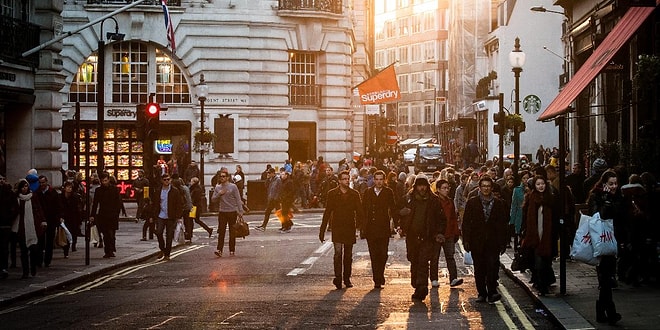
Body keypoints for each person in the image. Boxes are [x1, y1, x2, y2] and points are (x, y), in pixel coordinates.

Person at [398, 174, 446, 301]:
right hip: (412, 236)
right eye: (419, 186)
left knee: (423, 262)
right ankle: (416, 284)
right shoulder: (408, 199)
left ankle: (422, 286)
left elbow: (441, 219)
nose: (422, 188)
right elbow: (400, 213)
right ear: (415, 187)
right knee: (414, 260)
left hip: (427, 236)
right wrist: (401, 219)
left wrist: (439, 233)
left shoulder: (434, 201)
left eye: (424, 185)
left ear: (427, 186)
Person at [462, 175, 509, 303]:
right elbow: (466, 223)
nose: (486, 188)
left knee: (492, 267)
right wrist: (466, 240)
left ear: (491, 188)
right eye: (484, 186)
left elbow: (502, 224)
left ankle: (492, 292)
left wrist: (503, 242)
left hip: (493, 242)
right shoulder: (472, 202)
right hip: (477, 242)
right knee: (479, 268)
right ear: (480, 187)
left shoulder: (499, 204)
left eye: (488, 186)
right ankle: (482, 293)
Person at [587, 169, 622, 325]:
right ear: (604, 184)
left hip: (614, 241)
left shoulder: (619, 196)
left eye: (616, 183)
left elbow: (621, 218)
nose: (614, 186)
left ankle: (601, 312)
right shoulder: (596, 196)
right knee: (606, 279)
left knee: (607, 280)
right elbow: (597, 216)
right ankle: (611, 312)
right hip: (600, 241)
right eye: (611, 184)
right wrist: (607, 200)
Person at [319, 170, 364, 289]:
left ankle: (347, 278)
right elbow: (328, 212)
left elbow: (360, 212)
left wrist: (361, 228)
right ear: (339, 181)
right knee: (338, 253)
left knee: (348, 255)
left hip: (349, 227)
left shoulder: (354, 194)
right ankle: (338, 278)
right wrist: (322, 230)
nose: (346, 181)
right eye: (344, 179)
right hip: (337, 227)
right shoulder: (332, 194)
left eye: (347, 178)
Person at [521, 175, 557, 295]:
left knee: (546, 262)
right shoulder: (531, 198)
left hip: (548, 236)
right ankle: (542, 287)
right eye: (538, 184)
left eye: (542, 184)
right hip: (535, 236)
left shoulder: (551, 199)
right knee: (539, 262)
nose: (541, 186)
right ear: (534, 186)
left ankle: (544, 283)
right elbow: (526, 218)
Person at [361, 170, 398, 289]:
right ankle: (377, 279)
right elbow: (363, 209)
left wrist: (396, 224)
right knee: (374, 254)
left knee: (383, 254)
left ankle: (380, 274)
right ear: (374, 180)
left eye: (381, 179)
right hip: (371, 228)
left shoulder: (388, 192)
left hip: (383, 227)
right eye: (376, 179)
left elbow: (393, 208)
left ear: (384, 180)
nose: (378, 182)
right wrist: (362, 226)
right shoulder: (368, 192)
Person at [433, 179, 464, 288]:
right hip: (437, 234)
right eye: (444, 188)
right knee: (434, 257)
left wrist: (456, 232)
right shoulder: (434, 201)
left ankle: (453, 278)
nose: (446, 190)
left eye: (447, 188)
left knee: (450, 256)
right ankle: (434, 279)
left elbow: (453, 218)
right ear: (438, 189)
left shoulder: (450, 201)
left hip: (449, 233)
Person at [13, 179, 46, 278]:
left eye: (26, 186)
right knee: (23, 252)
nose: (24, 188)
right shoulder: (17, 198)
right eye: (23, 187)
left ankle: (33, 269)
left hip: (32, 227)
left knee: (33, 250)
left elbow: (39, 209)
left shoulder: (33, 197)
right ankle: (25, 272)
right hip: (21, 227)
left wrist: (42, 220)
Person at [211, 168, 243, 257]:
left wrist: (240, 211)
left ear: (228, 177)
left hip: (232, 212)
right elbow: (213, 200)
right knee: (221, 232)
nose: (222, 178)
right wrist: (219, 194)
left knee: (232, 232)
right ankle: (219, 250)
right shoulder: (218, 187)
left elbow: (238, 199)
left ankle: (232, 250)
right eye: (220, 176)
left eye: (224, 176)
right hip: (222, 212)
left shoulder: (233, 187)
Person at [90, 173, 122, 258]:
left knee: (111, 234)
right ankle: (107, 251)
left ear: (108, 180)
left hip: (112, 215)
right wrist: (92, 215)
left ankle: (111, 249)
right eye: (103, 181)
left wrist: (117, 213)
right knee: (105, 234)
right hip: (103, 215)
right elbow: (95, 204)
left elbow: (118, 202)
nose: (104, 182)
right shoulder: (98, 191)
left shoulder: (114, 189)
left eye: (106, 180)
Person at [153, 173, 184, 261]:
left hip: (171, 216)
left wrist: (179, 217)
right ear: (161, 181)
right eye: (165, 180)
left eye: (168, 179)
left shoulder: (175, 191)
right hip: (160, 215)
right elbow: (155, 204)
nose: (167, 181)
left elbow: (179, 204)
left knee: (169, 235)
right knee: (158, 232)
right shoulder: (158, 190)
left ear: (170, 180)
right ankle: (162, 249)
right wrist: (152, 215)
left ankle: (167, 254)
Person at [36, 175, 61, 267]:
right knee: (40, 241)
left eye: (43, 182)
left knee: (49, 242)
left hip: (51, 220)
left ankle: (47, 260)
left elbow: (58, 206)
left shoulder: (52, 192)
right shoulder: (37, 193)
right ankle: (39, 261)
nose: (42, 184)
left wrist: (58, 218)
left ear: (46, 182)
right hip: (40, 220)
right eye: (40, 182)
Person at [0, 175, 18, 279]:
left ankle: (4, 267)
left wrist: (9, 218)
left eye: (2, 179)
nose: (1, 181)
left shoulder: (9, 193)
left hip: (6, 224)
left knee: (4, 247)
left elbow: (15, 208)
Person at [59, 181, 83, 257]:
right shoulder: (60, 197)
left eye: (71, 187)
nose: (69, 189)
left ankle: (73, 245)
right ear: (64, 188)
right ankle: (66, 250)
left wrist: (79, 220)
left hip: (74, 218)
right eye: (68, 187)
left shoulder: (75, 197)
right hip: (65, 218)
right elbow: (58, 207)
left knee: (74, 233)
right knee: (66, 234)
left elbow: (78, 209)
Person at [172, 175, 193, 244]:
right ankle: (188, 236)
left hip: (183, 207)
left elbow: (181, 200)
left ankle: (176, 236)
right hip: (188, 207)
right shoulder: (186, 188)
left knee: (177, 222)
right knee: (187, 222)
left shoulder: (179, 190)